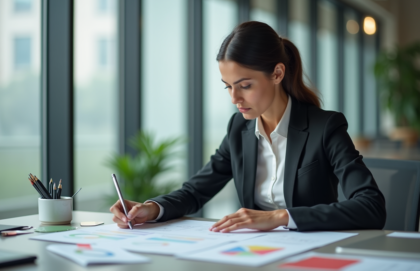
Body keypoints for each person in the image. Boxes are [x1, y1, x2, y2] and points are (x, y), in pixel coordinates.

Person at [110, 21, 386, 232]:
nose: (234, 98)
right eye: (228, 87)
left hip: (311, 254)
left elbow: (371, 206)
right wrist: (151, 208)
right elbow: (195, 191)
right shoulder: (239, 129)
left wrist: (279, 217)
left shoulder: (324, 126)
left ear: (277, 73)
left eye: (245, 86)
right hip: (256, 254)